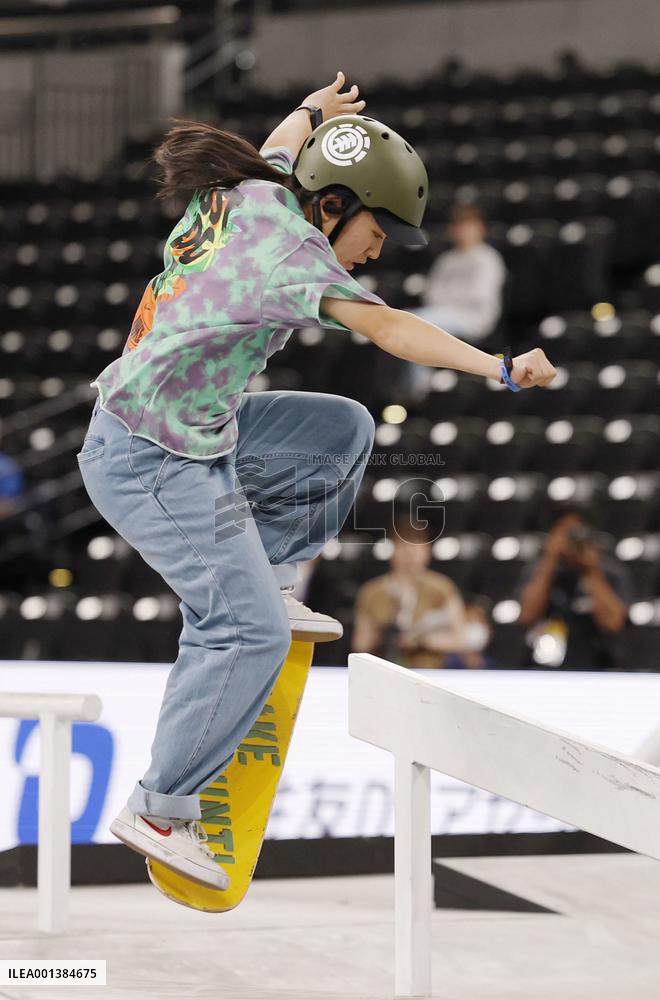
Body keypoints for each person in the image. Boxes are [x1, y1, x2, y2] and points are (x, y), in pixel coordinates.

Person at [76, 71, 556, 891]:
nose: (378, 252)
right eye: (379, 232)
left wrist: (310, 112)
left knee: (343, 429)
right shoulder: (288, 253)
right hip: (145, 460)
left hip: (199, 434)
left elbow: (282, 147)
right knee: (247, 633)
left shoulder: (255, 188)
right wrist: (500, 368)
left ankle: (263, 572)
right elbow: (392, 328)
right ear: (332, 205)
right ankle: (159, 805)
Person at [406, 202, 507, 396]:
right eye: (459, 226)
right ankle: (417, 387)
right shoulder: (447, 260)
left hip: (474, 318)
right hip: (444, 313)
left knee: (418, 324)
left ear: (480, 228)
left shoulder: (488, 258)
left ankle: (418, 390)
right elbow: (431, 294)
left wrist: (449, 299)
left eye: (469, 225)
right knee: (409, 321)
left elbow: (478, 295)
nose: (464, 231)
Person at [516, 505, 633, 671]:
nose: (571, 540)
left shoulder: (611, 572)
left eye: (577, 532)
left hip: (598, 667)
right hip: (543, 668)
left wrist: (592, 571)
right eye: (565, 532)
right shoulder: (538, 570)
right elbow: (526, 617)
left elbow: (613, 624)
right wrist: (549, 560)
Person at [352, 518, 468, 669]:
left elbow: (460, 639)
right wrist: (384, 635)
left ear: (427, 550)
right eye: (403, 545)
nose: (410, 553)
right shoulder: (372, 591)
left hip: (429, 671)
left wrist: (421, 641)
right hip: (384, 670)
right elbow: (360, 644)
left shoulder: (442, 588)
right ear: (393, 549)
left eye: (417, 546)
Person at [444, 597, 496, 670]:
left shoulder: (493, 664)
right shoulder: (446, 662)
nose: (474, 627)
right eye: (469, 620)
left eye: (479, 621)